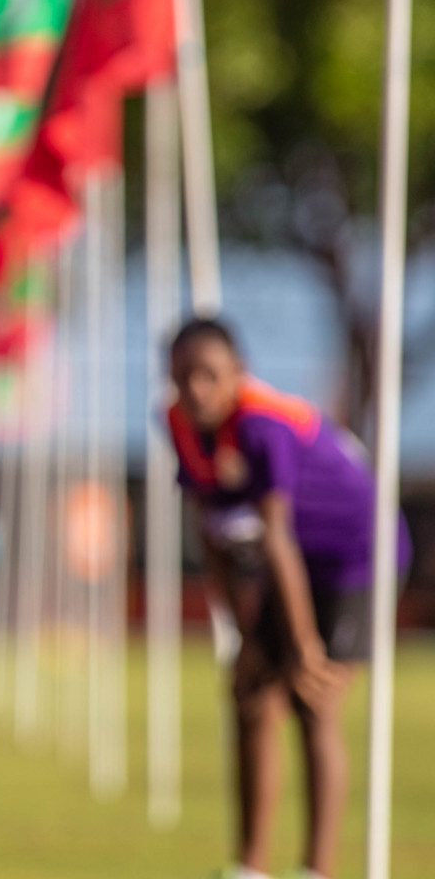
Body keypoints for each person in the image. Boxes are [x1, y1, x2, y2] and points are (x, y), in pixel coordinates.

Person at [165, 317, 411, 879]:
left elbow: (274, 535)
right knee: (251, 694)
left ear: (238, 376)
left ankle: (315, 871)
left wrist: (301, 645)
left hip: (357, 557)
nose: (196, 388)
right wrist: (246, 637)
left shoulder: (264, 424)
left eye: (209, 375)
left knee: (311, 700)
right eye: (183, 376)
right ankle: (250, 868)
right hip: (292, 563)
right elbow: (213, 530)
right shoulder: (179, 423)